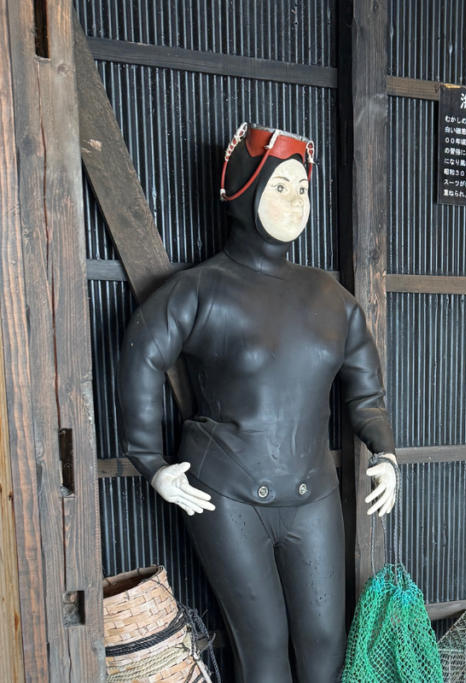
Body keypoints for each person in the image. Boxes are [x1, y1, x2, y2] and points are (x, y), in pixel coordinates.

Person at [116, 123, 397, 683]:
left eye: (302, 188)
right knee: (262, 648)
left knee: (324, 645)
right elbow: (139, 355)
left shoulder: (333, 301)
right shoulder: (200, 289)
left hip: (312, 491)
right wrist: (151, 464)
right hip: (225, 493)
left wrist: (385, 454)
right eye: (280, 187)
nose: (296, 201)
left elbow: (366, 391)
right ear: (243, 193)